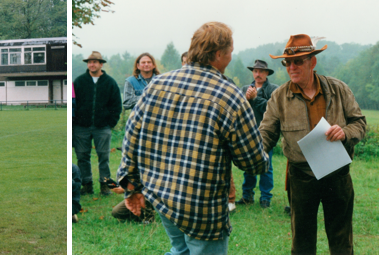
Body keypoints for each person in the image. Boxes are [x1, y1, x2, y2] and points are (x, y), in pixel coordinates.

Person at [118, 22, 269, 255]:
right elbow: (254, 163)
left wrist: (131, 186)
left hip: (161, 197)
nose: (232, 55)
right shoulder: (229, 95)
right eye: (231, 50)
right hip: (202, 208)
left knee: (180, 250)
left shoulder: (157, 85)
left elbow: (131, 136)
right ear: (219, 54)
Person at [261, 34, 366, 254]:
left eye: (298, 61)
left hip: (338, 176)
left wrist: (345, 132)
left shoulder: (339, 89)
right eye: (288, 62)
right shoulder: (278, 98)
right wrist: (248, 154)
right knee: (302, 244)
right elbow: (265, 136)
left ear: (313, 62)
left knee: (341, 243)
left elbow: (359, 123)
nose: (292, 67)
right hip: (301, 178)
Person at [73, 51, 122, 196]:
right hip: (81, 127)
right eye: (89, 62)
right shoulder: (79, 81)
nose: (91, 64)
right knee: (82, 157)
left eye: (95, 62)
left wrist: (110, 123)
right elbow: (73, 104)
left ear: (101, 64)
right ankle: (86, 185)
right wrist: (74, 123)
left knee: (104, 157)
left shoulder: (110, 82)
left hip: (103, 127)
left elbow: (116, 106)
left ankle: (106, 186)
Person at [235, 59, 279, 209]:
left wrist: (255, 98)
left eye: (261, 71)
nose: (258, 74)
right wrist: (246, 100)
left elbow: (271, 109)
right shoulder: (245, 88)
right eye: (255, 71)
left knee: (266, 165)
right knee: (249, 165)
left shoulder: (273, 89)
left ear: (267, 73)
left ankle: (265, 198)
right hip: (248, 133)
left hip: (267, 133)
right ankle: (247, 196)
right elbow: (237, 109)